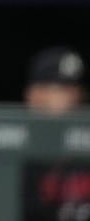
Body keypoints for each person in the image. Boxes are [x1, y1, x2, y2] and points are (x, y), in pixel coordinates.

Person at [22, 46, 90, 220]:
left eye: (75, 88)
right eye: (59, 88)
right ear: (34, 94)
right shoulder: (20, 148)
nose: (71, 97)